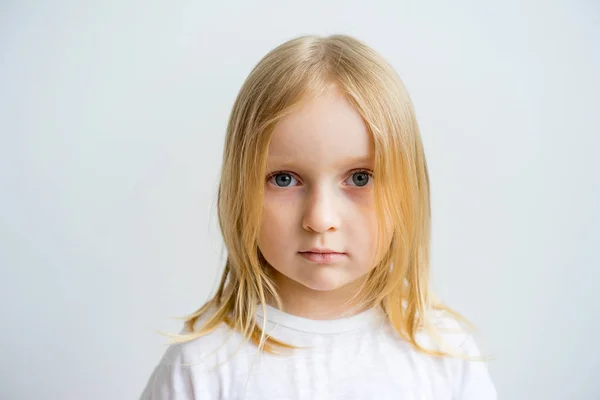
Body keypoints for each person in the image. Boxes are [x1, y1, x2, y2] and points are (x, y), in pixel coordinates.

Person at [140, 34, 497, 399]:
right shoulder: (200, 366)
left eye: (360, 178)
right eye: (284, 179)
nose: (320, 219)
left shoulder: (446, 355)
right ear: (239, 190)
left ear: (409, 191)